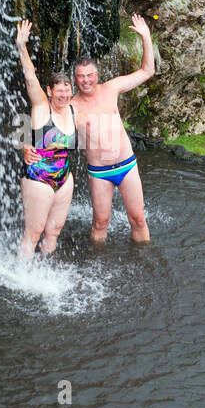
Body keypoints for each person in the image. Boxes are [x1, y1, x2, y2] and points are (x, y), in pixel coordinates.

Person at [25, 13, 155, 244]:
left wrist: (146, 37)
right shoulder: (70, 106)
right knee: (100, 222)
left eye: (90, 75)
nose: (86, 80)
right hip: (99, 172)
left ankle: (144, 261)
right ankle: (98, 264)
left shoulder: (111, 88)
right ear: (75, 79)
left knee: (138, 219)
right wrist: (26, 145)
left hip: (127, 165)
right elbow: (44, 124)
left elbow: (147, 71)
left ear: (97, 75)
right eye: (80, 76)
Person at [15, 19, 77, 257]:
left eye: (67, 88)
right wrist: (22, 47)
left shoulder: (74, 110)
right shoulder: (42, 107)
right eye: (59, 89)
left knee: (54, 230)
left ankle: (46, 270)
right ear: (49, 91)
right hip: (38, 177)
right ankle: (22, 277)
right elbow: (31, 78)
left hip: (64, 179)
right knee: (34, 231)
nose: (64, 93)